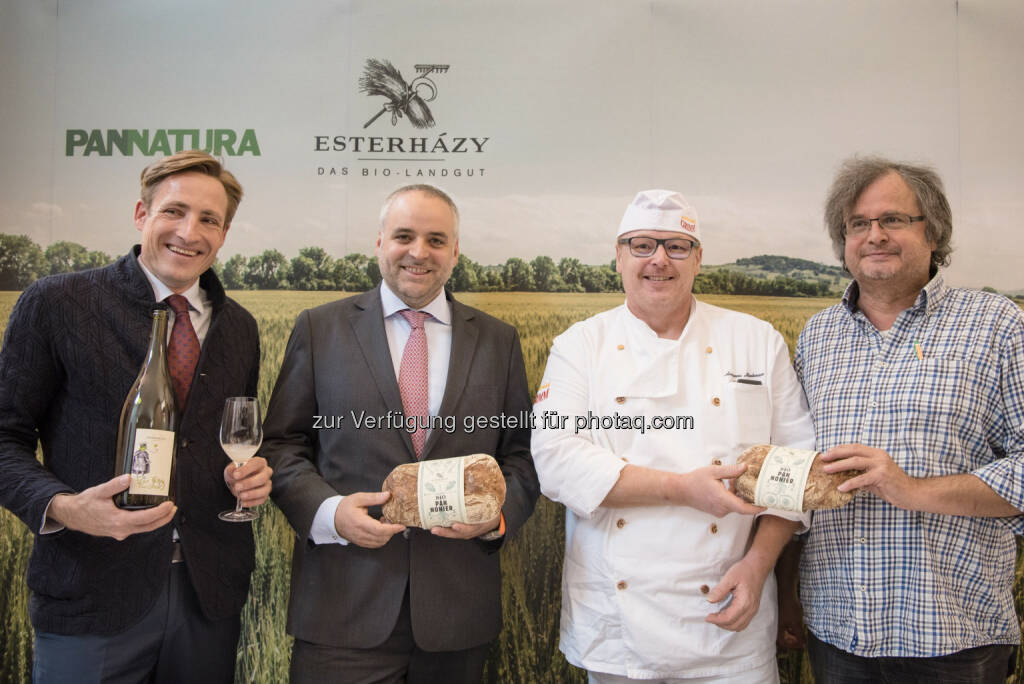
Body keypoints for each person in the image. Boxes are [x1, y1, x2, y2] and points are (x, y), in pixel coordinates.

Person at [0, 150, 272, 683]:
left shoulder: (240, 327)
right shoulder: (57, 303)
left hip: (206, 598)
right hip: (92, 593)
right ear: (141, 215)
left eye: (209, 220)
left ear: (224, 233)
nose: (189, 232)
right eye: (174, 211)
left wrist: (252, 475)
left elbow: (223, 442)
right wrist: (64, 507)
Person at [531, 189, 814, 683]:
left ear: (698, 258)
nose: (659, 259)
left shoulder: (757, 341)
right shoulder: (578, 346)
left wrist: (757, 566)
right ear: (619, 257)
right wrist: (678, 488)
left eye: (676, 246)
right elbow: (554, 457)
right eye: (642, 245)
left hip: (730, 615)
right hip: (618, 632)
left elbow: (795, 469)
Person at [261, 183, 539, 683]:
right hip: (342, 612)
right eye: (404, 236)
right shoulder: (320, 329)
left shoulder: (499, 341)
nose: (419, 252)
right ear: (380, 243)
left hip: (457, 617)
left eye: (436, 240)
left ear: (455, 252)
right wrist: (331, 514)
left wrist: (497, 518)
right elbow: (282, 446)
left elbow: (521, 455)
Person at [789, 156, 1024, 682]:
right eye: (858, 224)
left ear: (933, 232)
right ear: (843, 241)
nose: (875, 235)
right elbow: (801, 475)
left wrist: (912, 489)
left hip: (954, 637)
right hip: (837, 629)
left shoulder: (997, 325)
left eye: (893, 219)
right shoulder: (817, 337)